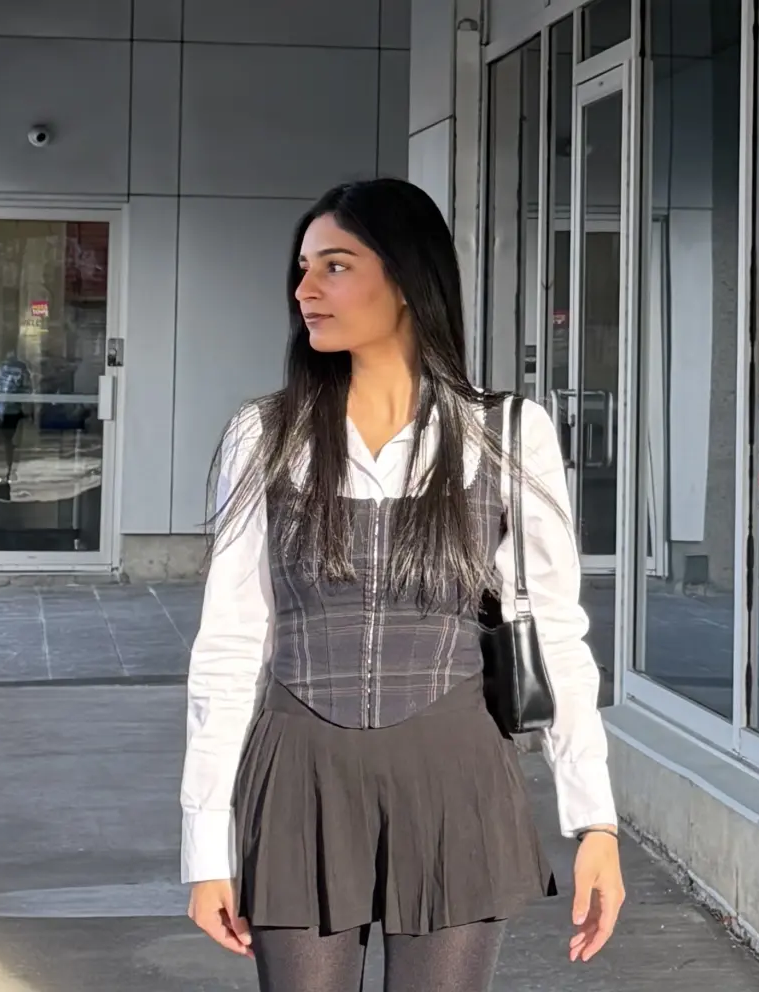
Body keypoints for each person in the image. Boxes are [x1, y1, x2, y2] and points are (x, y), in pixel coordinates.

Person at [179, 178, 624, 992]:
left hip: (455, 772)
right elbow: (231, 641)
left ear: (408, 279)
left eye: (335, 265)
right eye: (303, 267)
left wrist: (594, 820)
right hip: (299, 774)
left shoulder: (507, 432)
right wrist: (205, 844)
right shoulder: (263, 435)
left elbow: (555, 630)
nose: (305, 289)